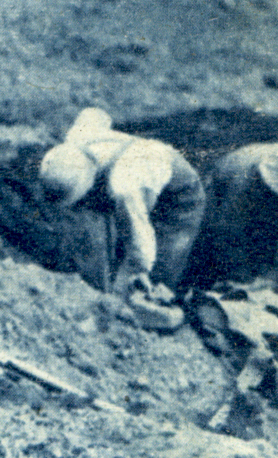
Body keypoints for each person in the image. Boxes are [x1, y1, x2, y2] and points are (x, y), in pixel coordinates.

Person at [36, 109, 206, 329]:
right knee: (121, 251)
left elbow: (140, 249)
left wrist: (123, 290)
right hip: (142, 174)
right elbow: (94, 114)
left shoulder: (125, 187)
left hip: (179, 198)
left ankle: (152, 327)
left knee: (157, 274)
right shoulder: (75, 143)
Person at [186, 141, 278, 294]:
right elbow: (229, 230)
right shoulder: (242, 180)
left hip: (271, 182)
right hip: (221, 192)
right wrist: (243, 280)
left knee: (266, 239)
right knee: (209, 244)